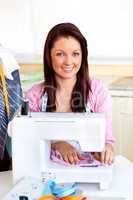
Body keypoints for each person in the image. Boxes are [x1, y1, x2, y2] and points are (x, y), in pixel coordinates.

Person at [27, 23, 115, 165]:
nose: (68, 61)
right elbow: (30, 140)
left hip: (88, 173)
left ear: (83, 56)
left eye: (75, 54)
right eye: (60, 54)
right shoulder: (34, 96)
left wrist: (106, 149)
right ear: (49, 56)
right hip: (47, 175)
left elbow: (107, 139)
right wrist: (57, 144)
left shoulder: (98, 91)